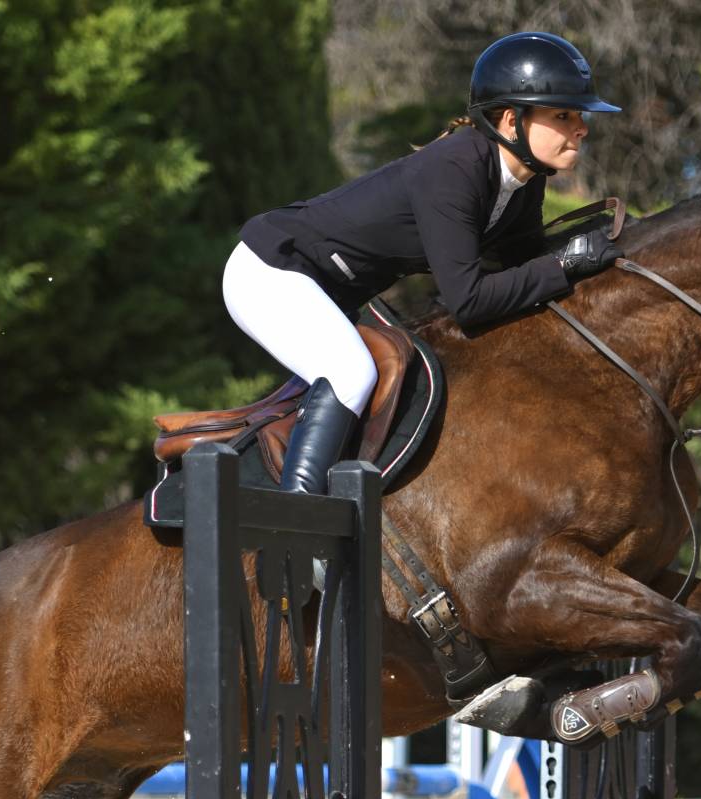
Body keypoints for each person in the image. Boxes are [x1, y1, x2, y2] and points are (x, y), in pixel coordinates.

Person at [226, 32, 624, 494]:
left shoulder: (525, 180)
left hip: (329, 291)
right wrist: (566, 263)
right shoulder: (454, 167)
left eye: (579, 116)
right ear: (511, 120)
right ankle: (299, 516)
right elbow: (470, 302)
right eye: (564, 115)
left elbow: (524, 267)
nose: (582, 127)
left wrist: (587, 251)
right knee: (351, 373)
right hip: (270, 273)